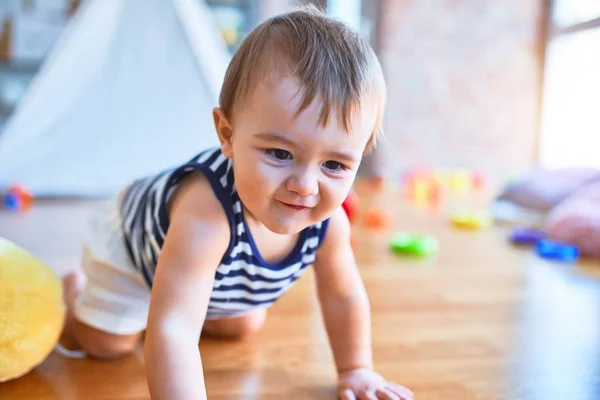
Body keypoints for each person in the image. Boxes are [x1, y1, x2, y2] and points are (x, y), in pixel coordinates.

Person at [60, 6, 413, 400]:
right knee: (107, 344)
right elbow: (174, 329)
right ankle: (75, 296)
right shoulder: (206, 217)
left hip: (199, 279)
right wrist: (168, 330)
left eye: (334, 164)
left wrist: (356, 369)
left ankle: (183, 298)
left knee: (238, 326)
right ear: (227, 135)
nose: (304, 186)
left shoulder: (329, 224)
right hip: (132, 249)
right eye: (280, 154)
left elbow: (343, 295)